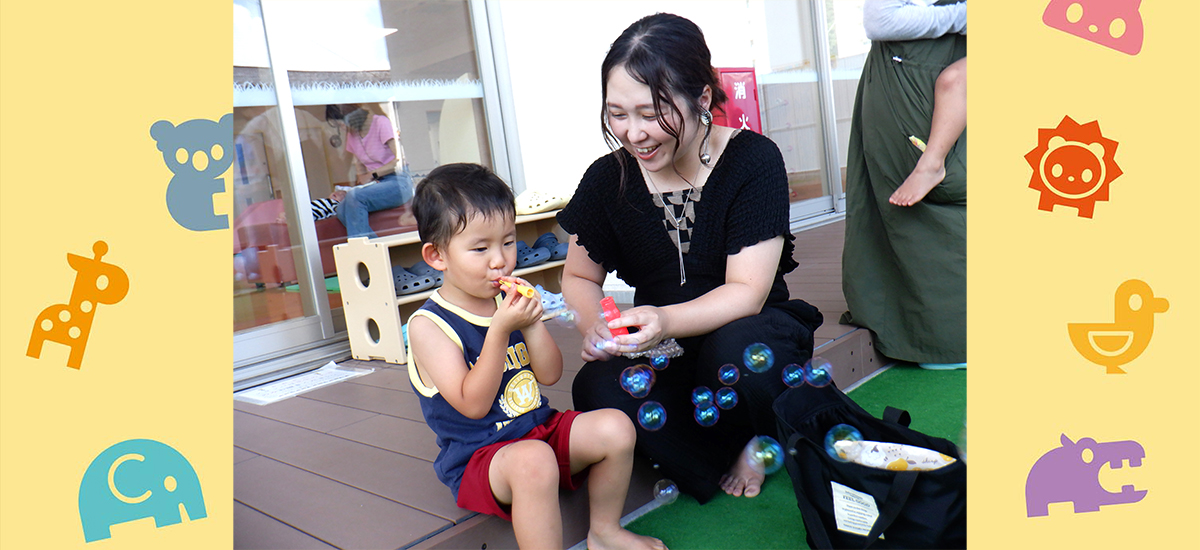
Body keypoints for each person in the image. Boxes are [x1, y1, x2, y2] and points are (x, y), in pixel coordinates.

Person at [558, 13, 823, 504]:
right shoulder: (607, 178)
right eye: (617, 113)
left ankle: (754, 441)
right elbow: (577, 275)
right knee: (597, 387)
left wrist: (662, 319)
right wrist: (598, 326)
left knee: (739, 353)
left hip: (749, 329)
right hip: (665, 350)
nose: (633, 133)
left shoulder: (752, 160)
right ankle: (715, 460)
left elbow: (747, 292)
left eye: (651, 112)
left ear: (702, 98)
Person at [406, 163, 666, 550]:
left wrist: (530, 322)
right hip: (482, 457)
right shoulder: (428, 325)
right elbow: (472, 404)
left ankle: (605, 532)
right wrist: (498, 330)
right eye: (480, 248)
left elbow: (550, 374)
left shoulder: (506, 301)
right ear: (437, 256)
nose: (500, 260)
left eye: (508, 242)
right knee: (535, 460)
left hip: (537, 430)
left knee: (616, 427)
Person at [841, 0, 967, 368]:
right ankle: (938, 339)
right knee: (929, 207)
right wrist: (964, 16)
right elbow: (882, 18)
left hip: (936, 65)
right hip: (916, 69)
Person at [325, 105, 415, 238]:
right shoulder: (352, 135)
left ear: (351, 116)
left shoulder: (380, 123)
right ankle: (374, 247)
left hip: (398, 180)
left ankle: (365, 249)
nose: (342, 128)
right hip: (375, 183)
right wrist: (347, 191)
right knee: (342, 209)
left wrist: (373, 175)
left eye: (341, 124)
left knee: (355, 198)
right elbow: (360, 169)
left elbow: (400, 161)